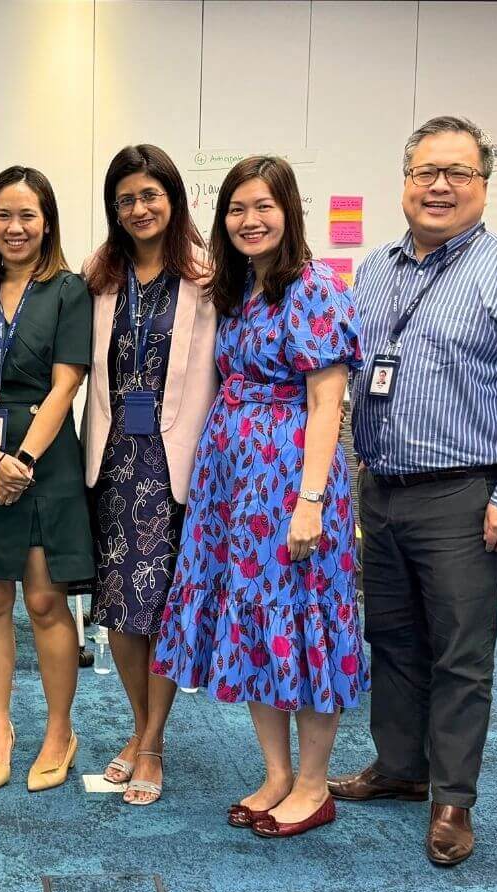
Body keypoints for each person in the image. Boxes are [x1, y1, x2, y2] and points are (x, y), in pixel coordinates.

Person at [328, 116, 497, 866]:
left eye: (458, 173)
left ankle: (453, 798)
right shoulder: (374, 269)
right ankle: (401, 766)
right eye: (425, 172)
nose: (439, 186)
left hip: (465, 494)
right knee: (392, 637)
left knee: (460, 652)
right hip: (381, 488)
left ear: (483, 185)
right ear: (405, 182)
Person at [150, 155, 364, 839]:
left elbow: (327, 403)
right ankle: (276, 774)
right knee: (253, 622)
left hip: (294, 480)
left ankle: (313, 785)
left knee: (306, 623)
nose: (250, 220)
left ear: (288, 211)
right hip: (233, 483)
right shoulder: (235, 289)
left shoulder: (317, 289)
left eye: (263, 207)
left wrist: (310, 501)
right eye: (237, 209)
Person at [0, 166, 93, 793]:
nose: (15, 227)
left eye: (28, 214)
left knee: (45, 600)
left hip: (46, 458)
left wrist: (22, 461)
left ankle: (59, 731)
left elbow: (67, 383)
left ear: (47, 222)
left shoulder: (69, 290)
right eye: (3, 214)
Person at [80, 145, 218, 806]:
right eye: (126, 199)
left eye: (149, 195)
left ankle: (153, 742)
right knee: (118, 605)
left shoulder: (207, 278)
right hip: (113, 461)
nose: (139, 208)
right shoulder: (99, 276)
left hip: (174, 464)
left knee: (163, 605)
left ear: (173, 198)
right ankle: (139, 727)